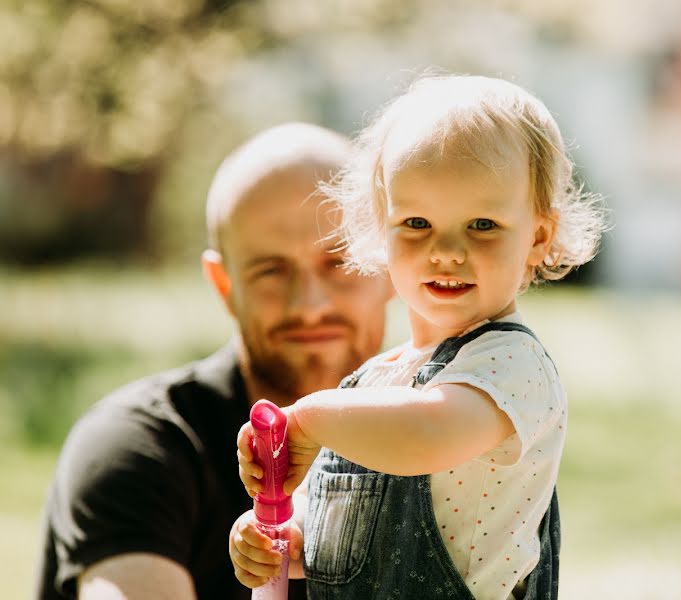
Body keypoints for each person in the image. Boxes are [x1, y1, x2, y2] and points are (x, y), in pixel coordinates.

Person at [230, 74, 605, 599]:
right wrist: (281, 543)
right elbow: (341, 550)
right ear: (380, 229)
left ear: (537, 238)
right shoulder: (368, 387)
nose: (447, 250)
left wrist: (312, 418)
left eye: (481, 224)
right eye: (416, 222)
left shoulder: (513, 366)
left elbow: (428, 432)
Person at [35, 122, 394, 600]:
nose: (309, 305)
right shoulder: (140, 447)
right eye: (271, 270)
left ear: (389, 268)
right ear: (224, 285)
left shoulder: (455, 436)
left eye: (339, 262)